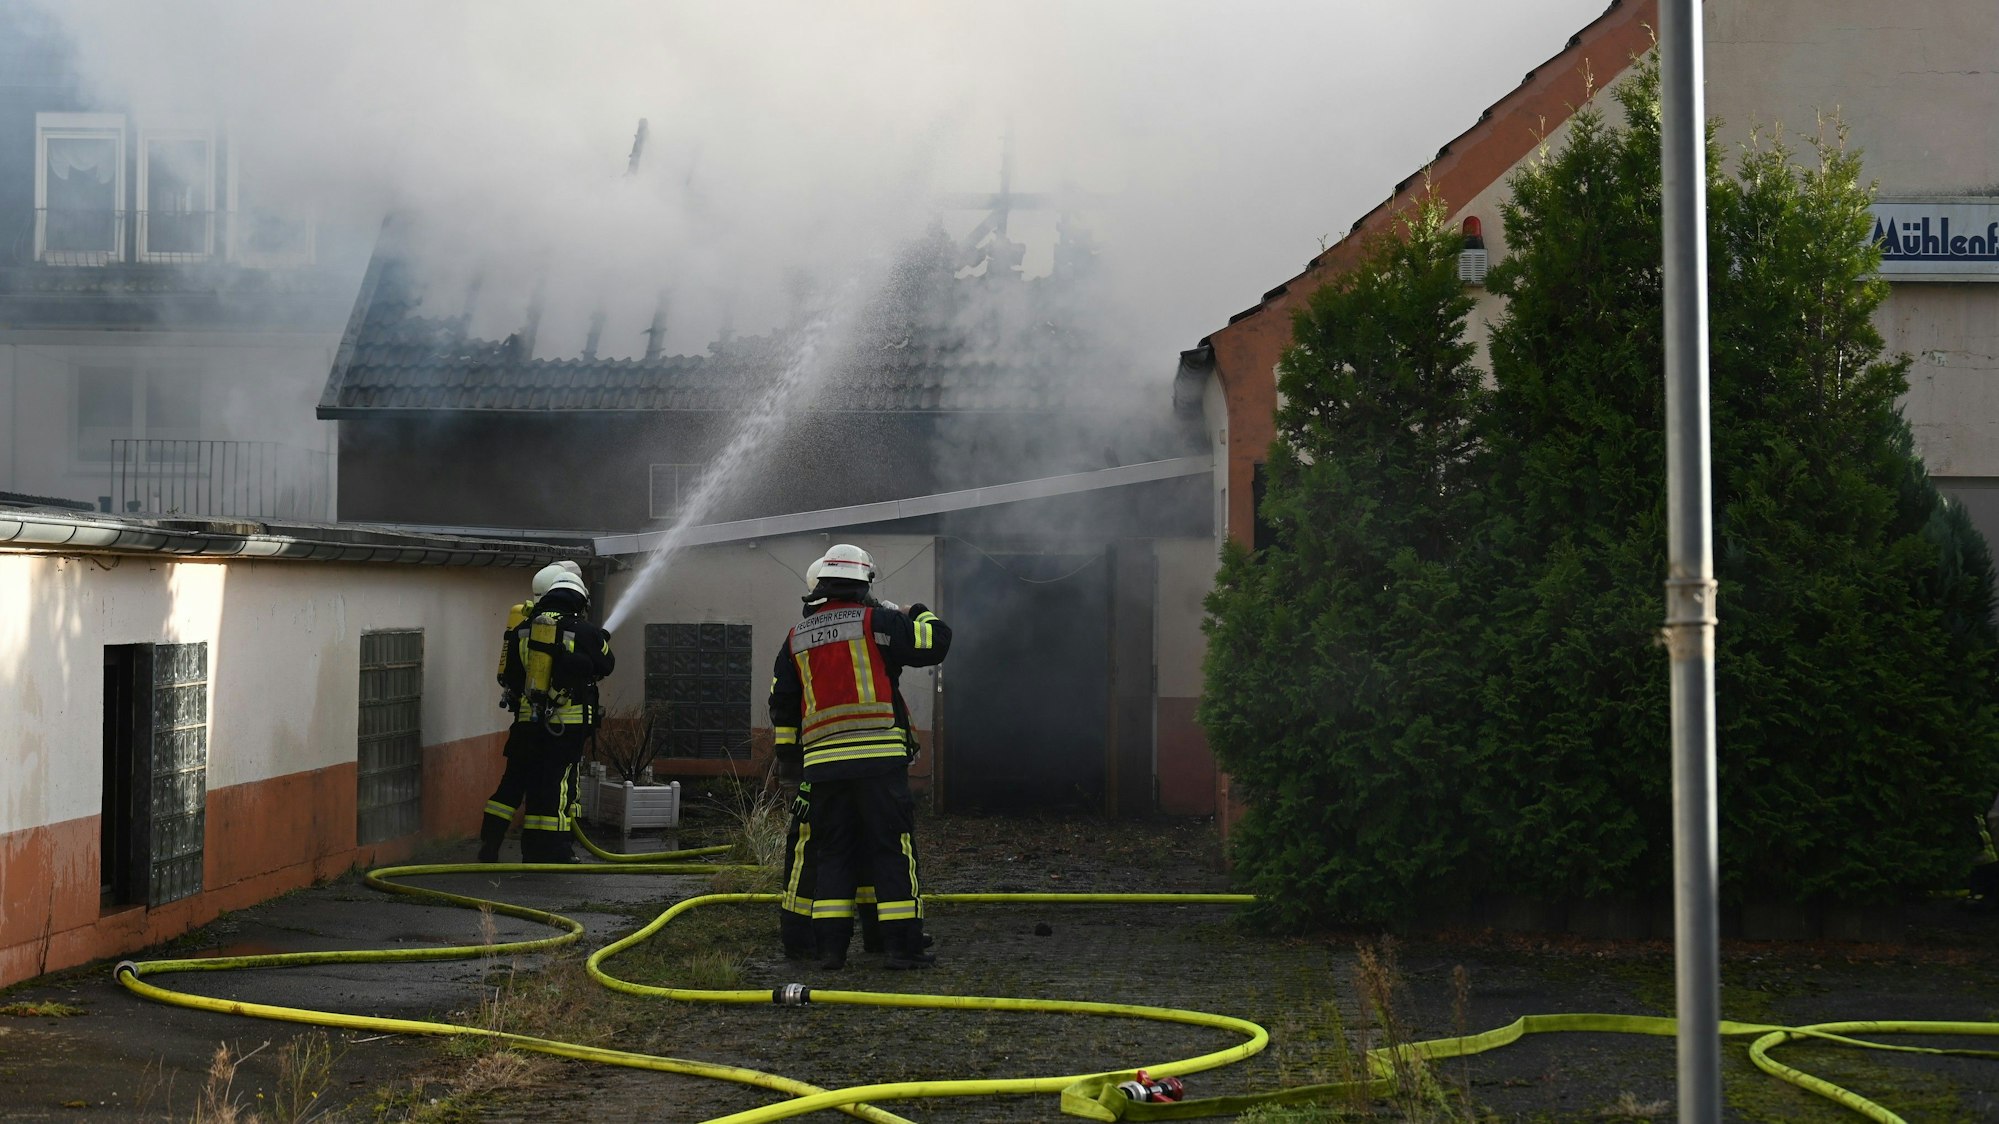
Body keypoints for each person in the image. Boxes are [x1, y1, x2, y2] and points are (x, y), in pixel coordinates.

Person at [770, 544, 950, 969]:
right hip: (878, 761)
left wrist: (790, 763)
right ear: (864, 582)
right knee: (891, 847)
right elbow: (937, 641)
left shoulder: (797, 636)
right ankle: (901, 946)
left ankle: (831, 949)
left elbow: (784, 704)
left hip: (824, 767)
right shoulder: (879, 622)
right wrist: (915, 609)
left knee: (834, 851)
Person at [479, 565, 614, 864]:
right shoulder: (584, 631)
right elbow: (606, 665)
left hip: (527, 723)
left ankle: (489, 845)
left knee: (513, 782)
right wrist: (597, 641)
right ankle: (553, 851)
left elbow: (511, 678)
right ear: (578, 600)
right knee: (558, 785)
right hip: (566, 727)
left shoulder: (522, 630)